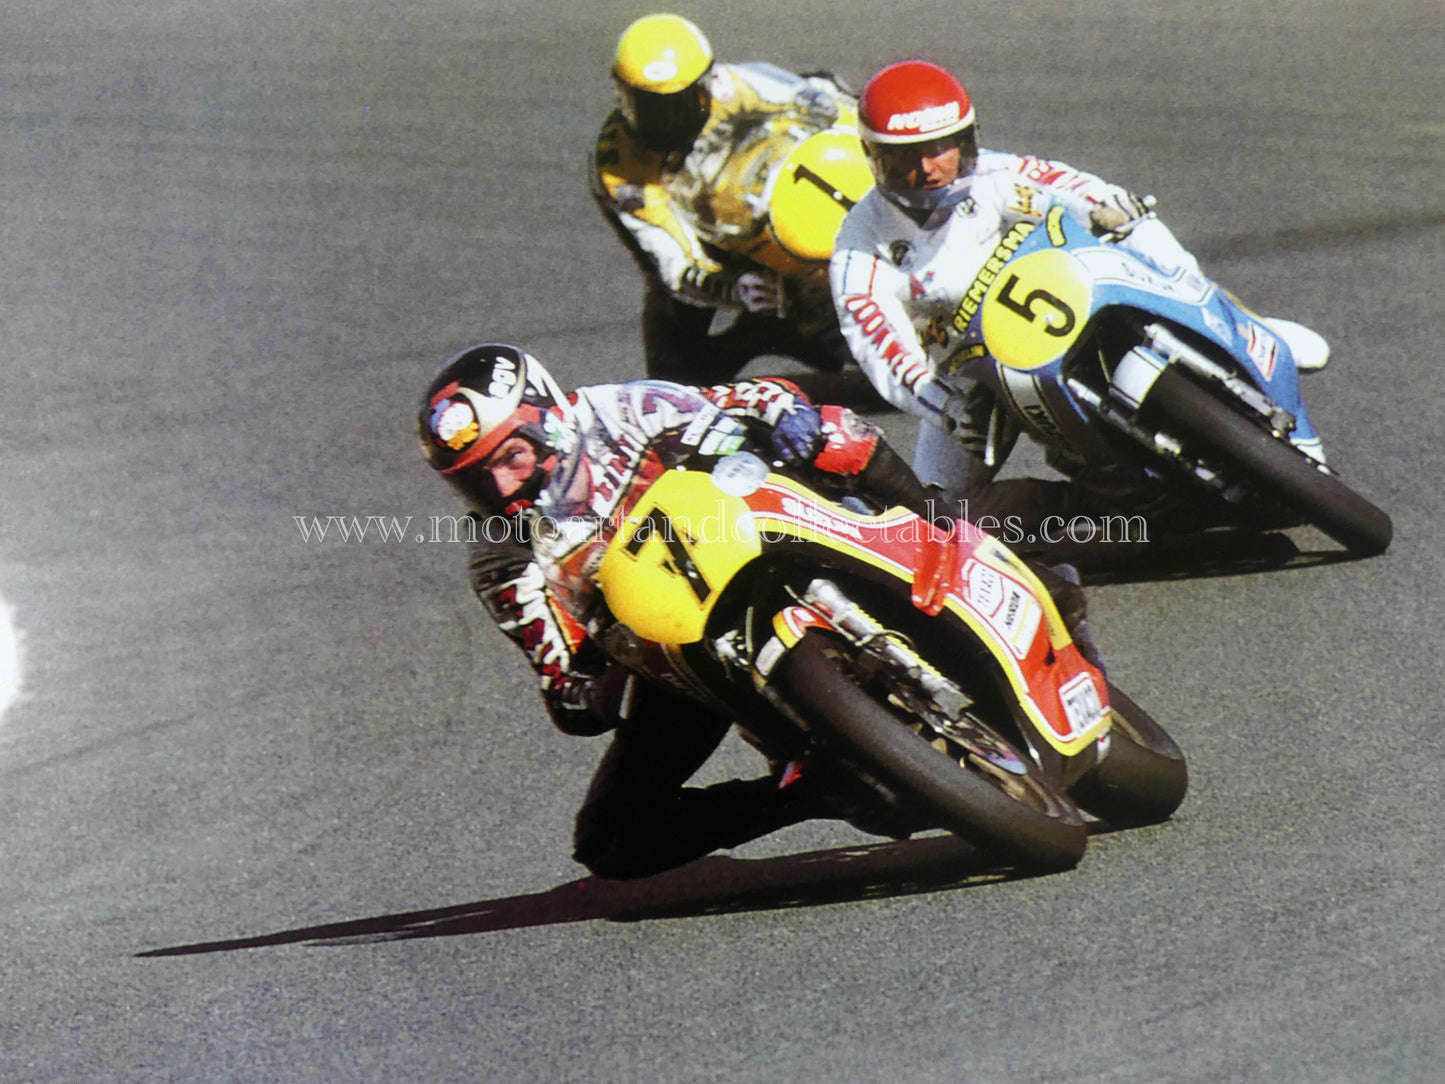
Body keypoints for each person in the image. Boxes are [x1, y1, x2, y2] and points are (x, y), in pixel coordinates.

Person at [418, 342, 1097, 879]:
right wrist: (585, 688)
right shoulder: (500, 555)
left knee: (834, 434)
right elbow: (560, 677)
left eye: (510, 457)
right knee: (611, 843)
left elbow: (747, 399)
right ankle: (814, 789)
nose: (503, 486)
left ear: (545, 416)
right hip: (670, 649)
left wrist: (775, 418)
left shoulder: (618, 411)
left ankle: (954, 535)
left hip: (757, 537)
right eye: (478, 479)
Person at [828, 58, 1330, 535]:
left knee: (1137, 229)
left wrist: (1111, 210)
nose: (928, 169)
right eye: (904, 156)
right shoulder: (859, 248)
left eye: (941, 147)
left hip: (1071, 301)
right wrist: (943, 406)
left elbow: (1068, 187)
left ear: (966, 140)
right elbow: (883, 348)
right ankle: (1103, 519)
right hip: (975, 382)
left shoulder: (995, 178)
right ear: (874, 157)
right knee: (933, 522)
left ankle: (1229, 322)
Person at [590, 13, 871, 385]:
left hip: (798, 221)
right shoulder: (620, 166)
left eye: (678, 104)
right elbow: (673, 263)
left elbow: (844, 114)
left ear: (708, 82)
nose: (665, 121)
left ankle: (816, 326)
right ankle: (756, 331)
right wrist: (735, 288)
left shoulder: (749, 85)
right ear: (620, 93)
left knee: (859, 355)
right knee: (674, 382)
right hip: (716, 249)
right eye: (646, 106)